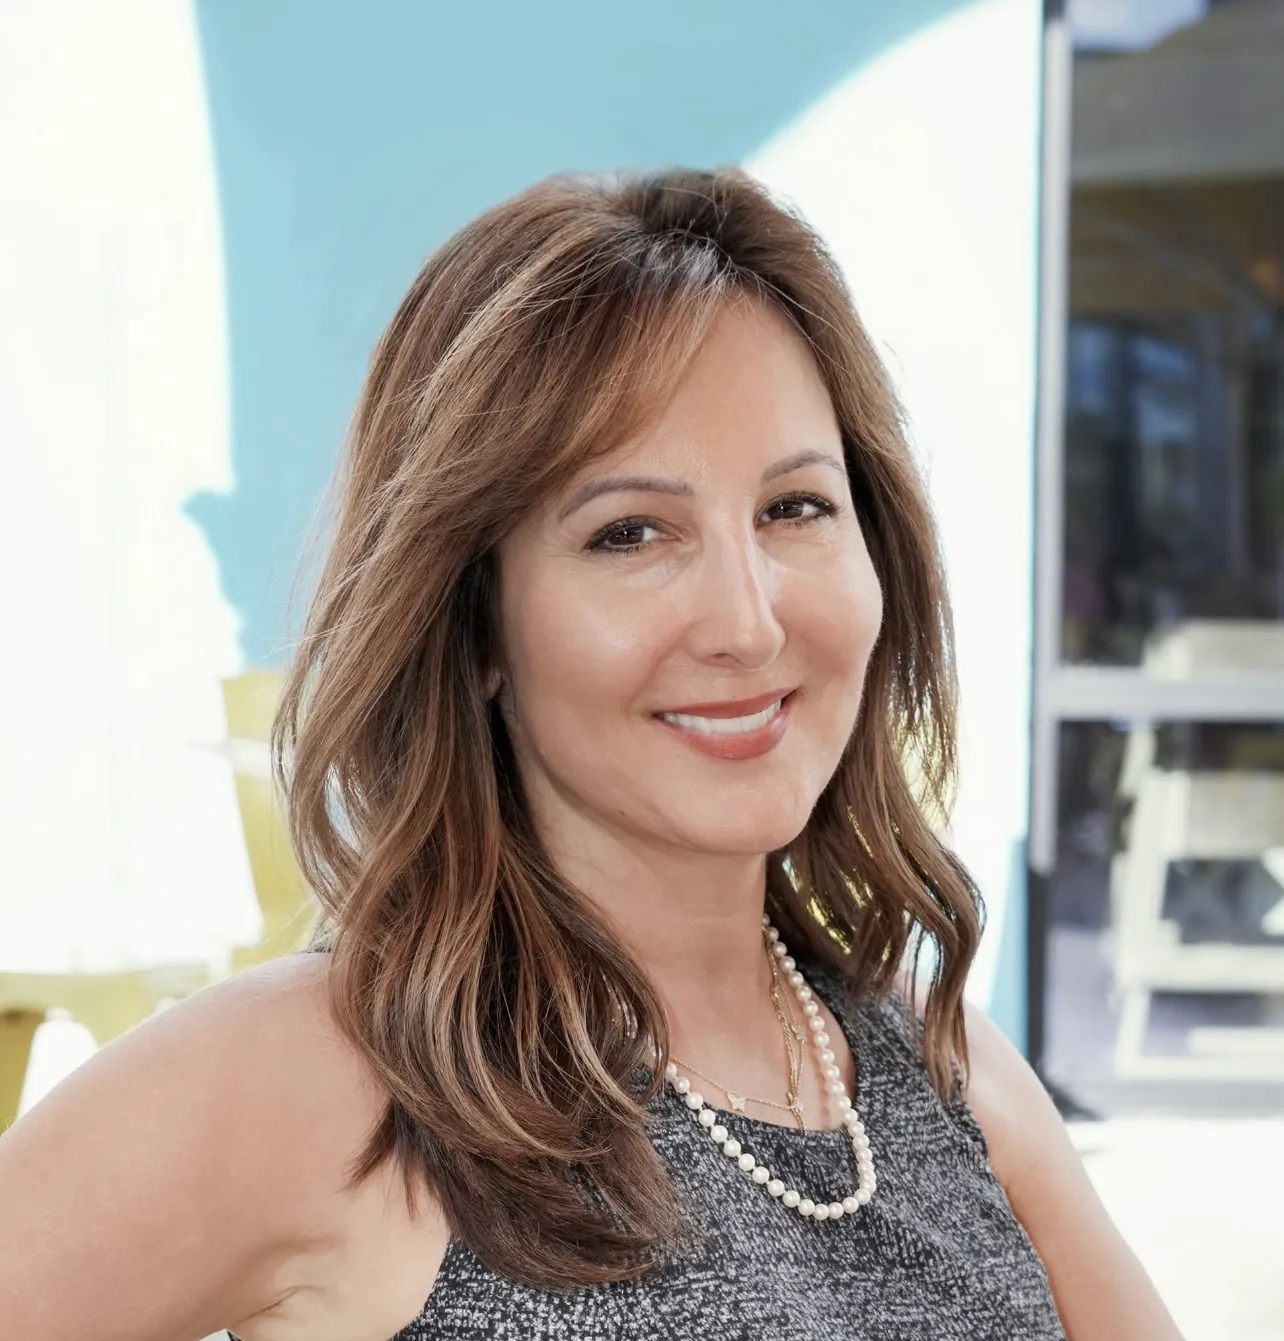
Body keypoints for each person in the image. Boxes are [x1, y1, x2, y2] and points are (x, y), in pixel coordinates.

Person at [0, 167, 1182, 1341]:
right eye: (630, 533)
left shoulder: (953, 1071)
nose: (750, 622)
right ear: (475, 624)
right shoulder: (319, 1079)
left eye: (796, 509)